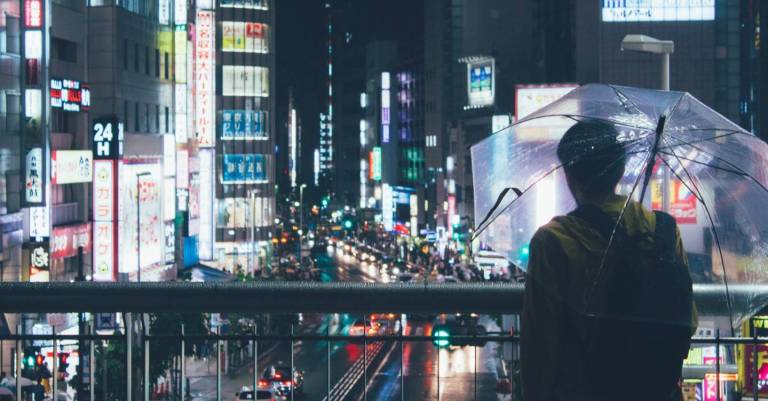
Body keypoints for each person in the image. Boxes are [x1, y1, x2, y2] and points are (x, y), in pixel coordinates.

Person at [520, 120, 696, 401]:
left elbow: (540, 344)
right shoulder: (663, 230)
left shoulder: (552, 241)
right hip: (655, 390)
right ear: (620, 169)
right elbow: (689, 319)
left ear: (568, 174)